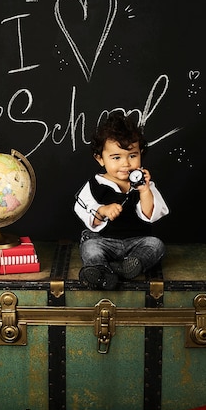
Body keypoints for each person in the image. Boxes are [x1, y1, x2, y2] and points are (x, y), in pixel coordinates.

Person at [74, 113, 169, 290]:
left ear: (141, 153)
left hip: (137, 240)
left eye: (132, 155)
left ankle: (129, 267)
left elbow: (150, 214)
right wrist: (102, 210)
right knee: (90, 247)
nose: (126, 164)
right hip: (105, 241)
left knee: (156, 245)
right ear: (100, 158)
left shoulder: (144, 185)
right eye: (116, 157)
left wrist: (145, 190)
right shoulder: (96, 185)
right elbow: (83, 207)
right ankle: (100, 271)